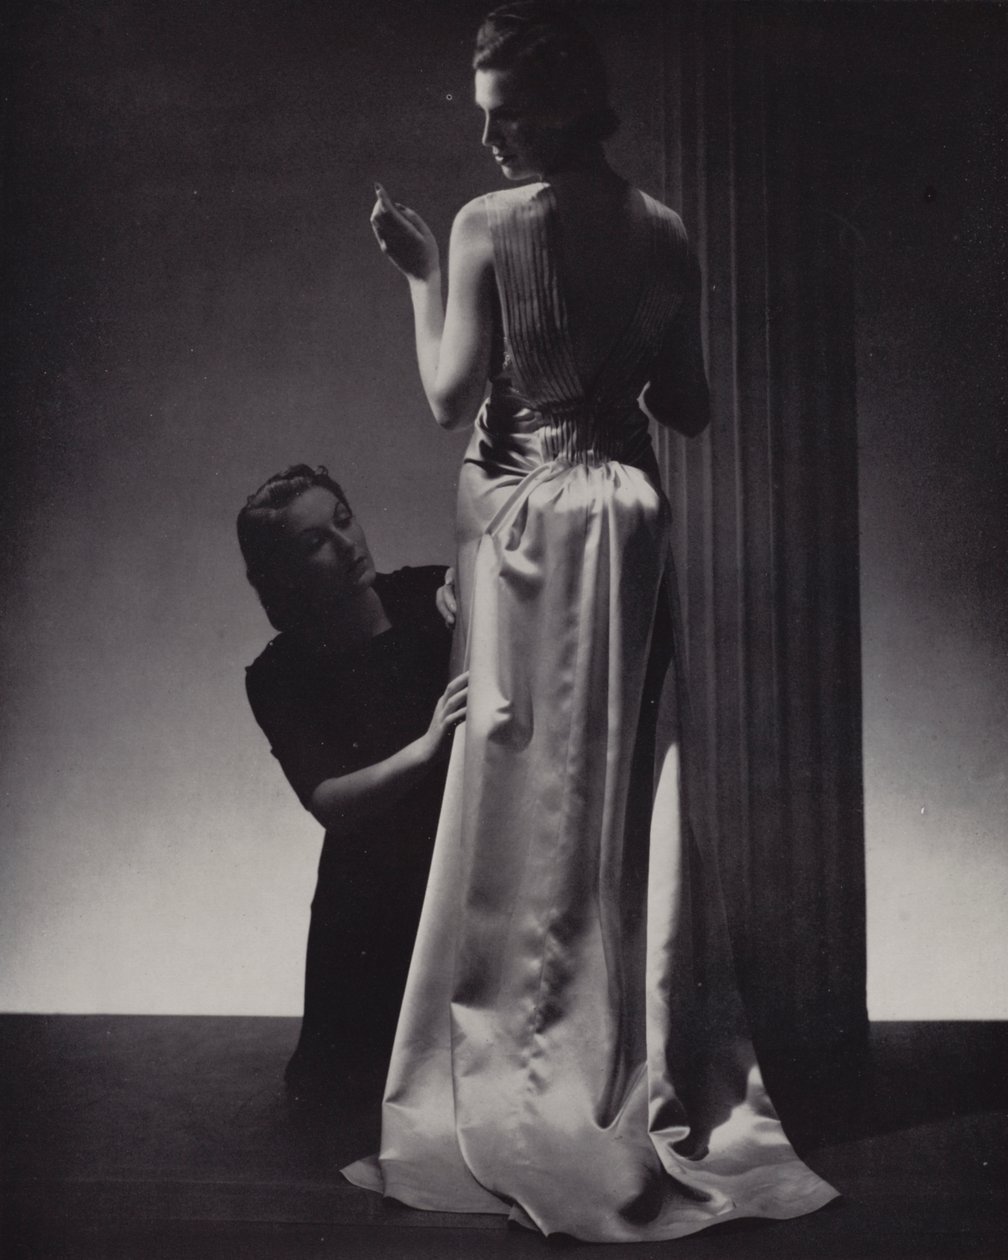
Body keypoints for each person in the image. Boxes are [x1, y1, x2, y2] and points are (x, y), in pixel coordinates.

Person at [344, 2, 838, 1242]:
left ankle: (525, 1069)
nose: (496, 133)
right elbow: (695, 406)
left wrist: (419, 284)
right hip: (628, 515)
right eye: (485, 112)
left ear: (571, 97)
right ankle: (623, 1054)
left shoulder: (484, 227)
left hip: (532, 528)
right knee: (617, 784)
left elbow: (448, 394)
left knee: (518, 788)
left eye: (512, 108)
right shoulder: (666, 229)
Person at [238, 464, 465, 1099]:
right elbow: (329, 802)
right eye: (314, 542)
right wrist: (424, 752)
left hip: (459, 869)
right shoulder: (278, 674)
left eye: (343, 519)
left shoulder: (429, 594)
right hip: (371, 898)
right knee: (353, 1099)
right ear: (279, 574)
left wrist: (478, 590)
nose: (345, 543)